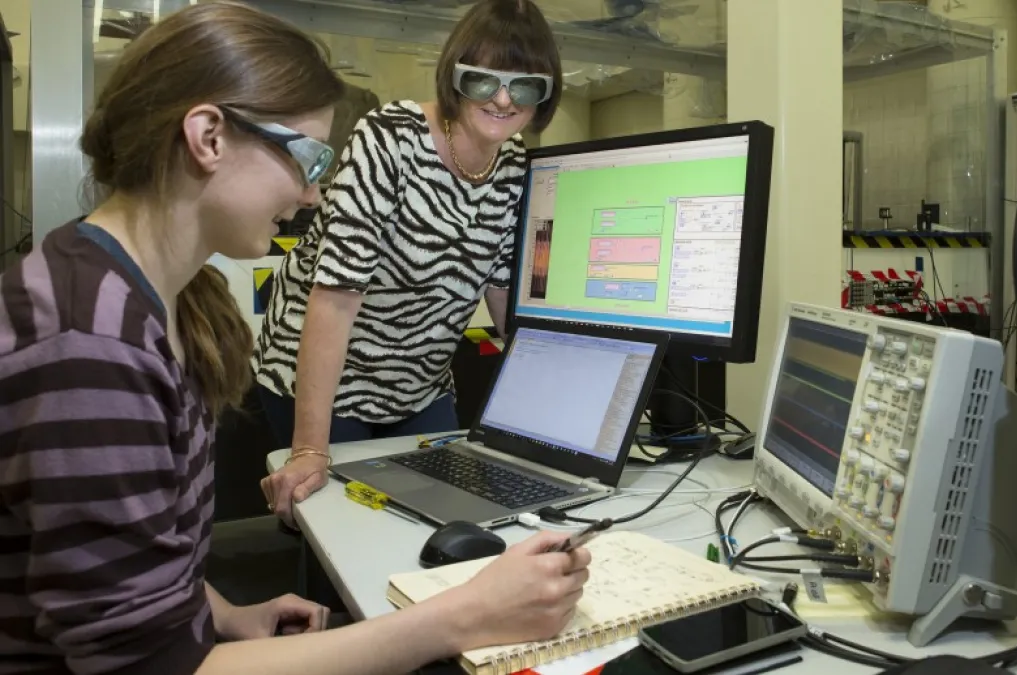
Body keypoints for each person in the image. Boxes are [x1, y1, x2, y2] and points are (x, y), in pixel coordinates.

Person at [0, 3, 589, 673]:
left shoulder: (157, 300)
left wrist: (217, 612)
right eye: (307, 156)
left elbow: (138, 554)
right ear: (209, 136)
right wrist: (460, 616)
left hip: (413, 383)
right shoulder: (92, 347)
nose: (314, 197)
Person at [255, 0, 562, 527]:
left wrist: (560, 412)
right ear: (455, 76)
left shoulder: (513, 166)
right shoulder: (389, 138)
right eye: (484, 81)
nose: (505, 98)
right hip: (327, 376)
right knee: (344, 528)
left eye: (525, 85)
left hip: (419, 383)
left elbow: (504, 300)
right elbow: (334, 300)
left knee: (438, 521)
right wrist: (309, 449)